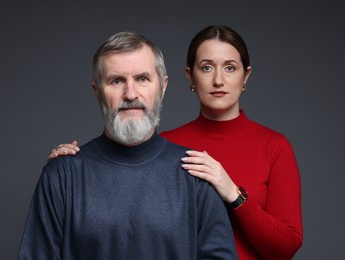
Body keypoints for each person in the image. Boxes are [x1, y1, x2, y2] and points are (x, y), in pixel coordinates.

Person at [48, 25, 303, 259]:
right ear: (190, 77)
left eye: (230, 67)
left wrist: (233, 194)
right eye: (206, 67)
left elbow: (286, 246)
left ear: (245, 76)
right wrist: (68, 169)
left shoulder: (274, 146)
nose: (218, 80)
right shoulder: (167, 146)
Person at [18, 31, 237, 259]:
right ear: (98, 92)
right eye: (116, 81)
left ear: (162, 87)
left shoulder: (195, 176)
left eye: (142, 79)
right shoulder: (62, 176)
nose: (130, 94)